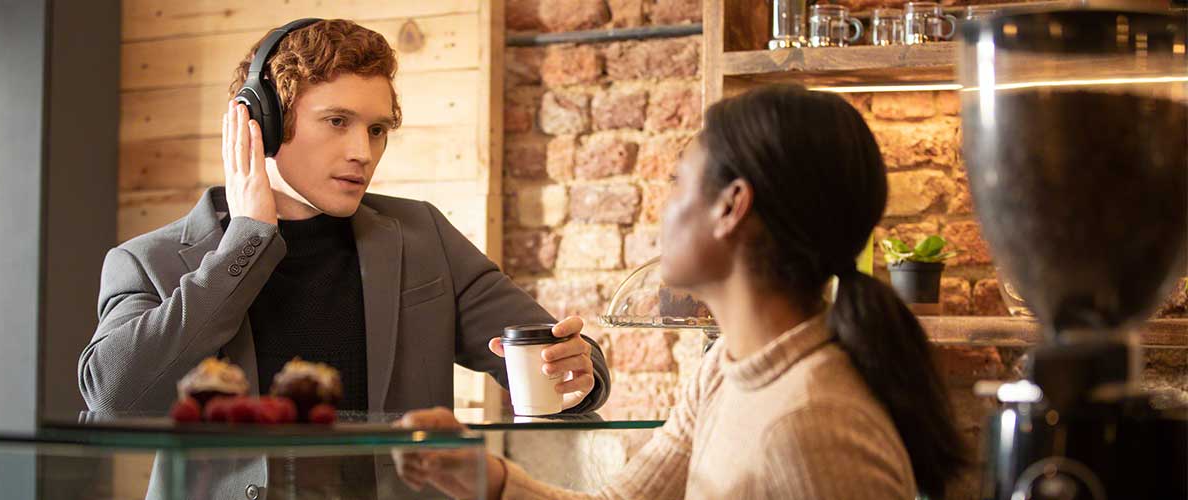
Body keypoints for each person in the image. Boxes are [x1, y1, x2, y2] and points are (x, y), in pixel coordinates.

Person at [77, 19, 610, 499]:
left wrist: (577, 371)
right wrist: (245, 243)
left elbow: (551, 349)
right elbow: (115, 402)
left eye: (377, 129)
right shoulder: (150, 259)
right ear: (260, 120)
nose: (364, 151)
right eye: (337, 122)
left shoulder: (424, 237)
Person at [393, 84, 969, 500]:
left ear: (730, 206)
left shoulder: (813, 429)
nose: (660, 211)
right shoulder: (726, 366)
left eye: (677, 184)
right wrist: (483, 477)